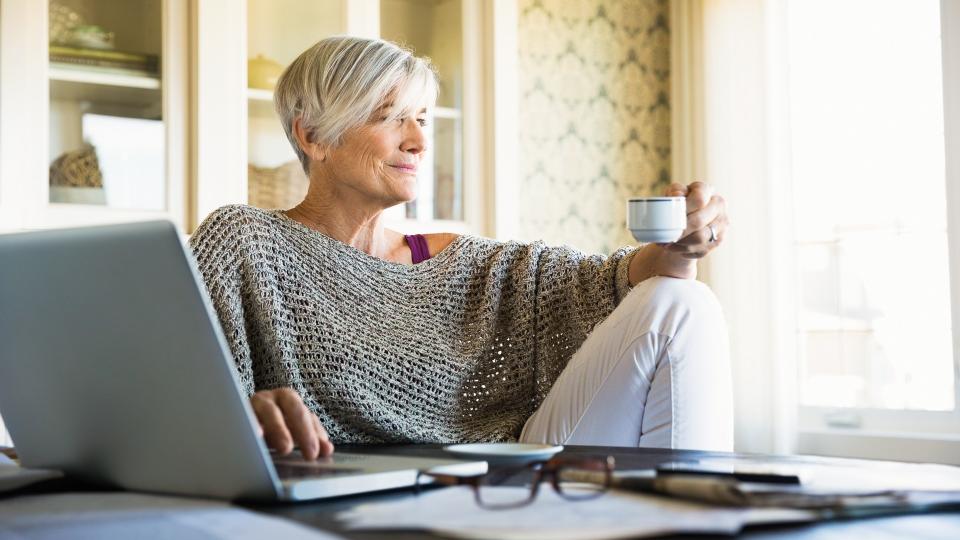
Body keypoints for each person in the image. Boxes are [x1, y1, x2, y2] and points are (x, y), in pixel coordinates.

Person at [189, 36, 732, 461]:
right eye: (390, 115)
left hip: (499, 474)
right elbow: (175, 398)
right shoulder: (243, 241)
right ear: (312, 136)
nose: (420, 141)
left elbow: (614, 282)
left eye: (422, 119)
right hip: (329, 481)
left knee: (684, 301)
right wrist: (237, 414)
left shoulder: (461, 261)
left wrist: (682, 246)